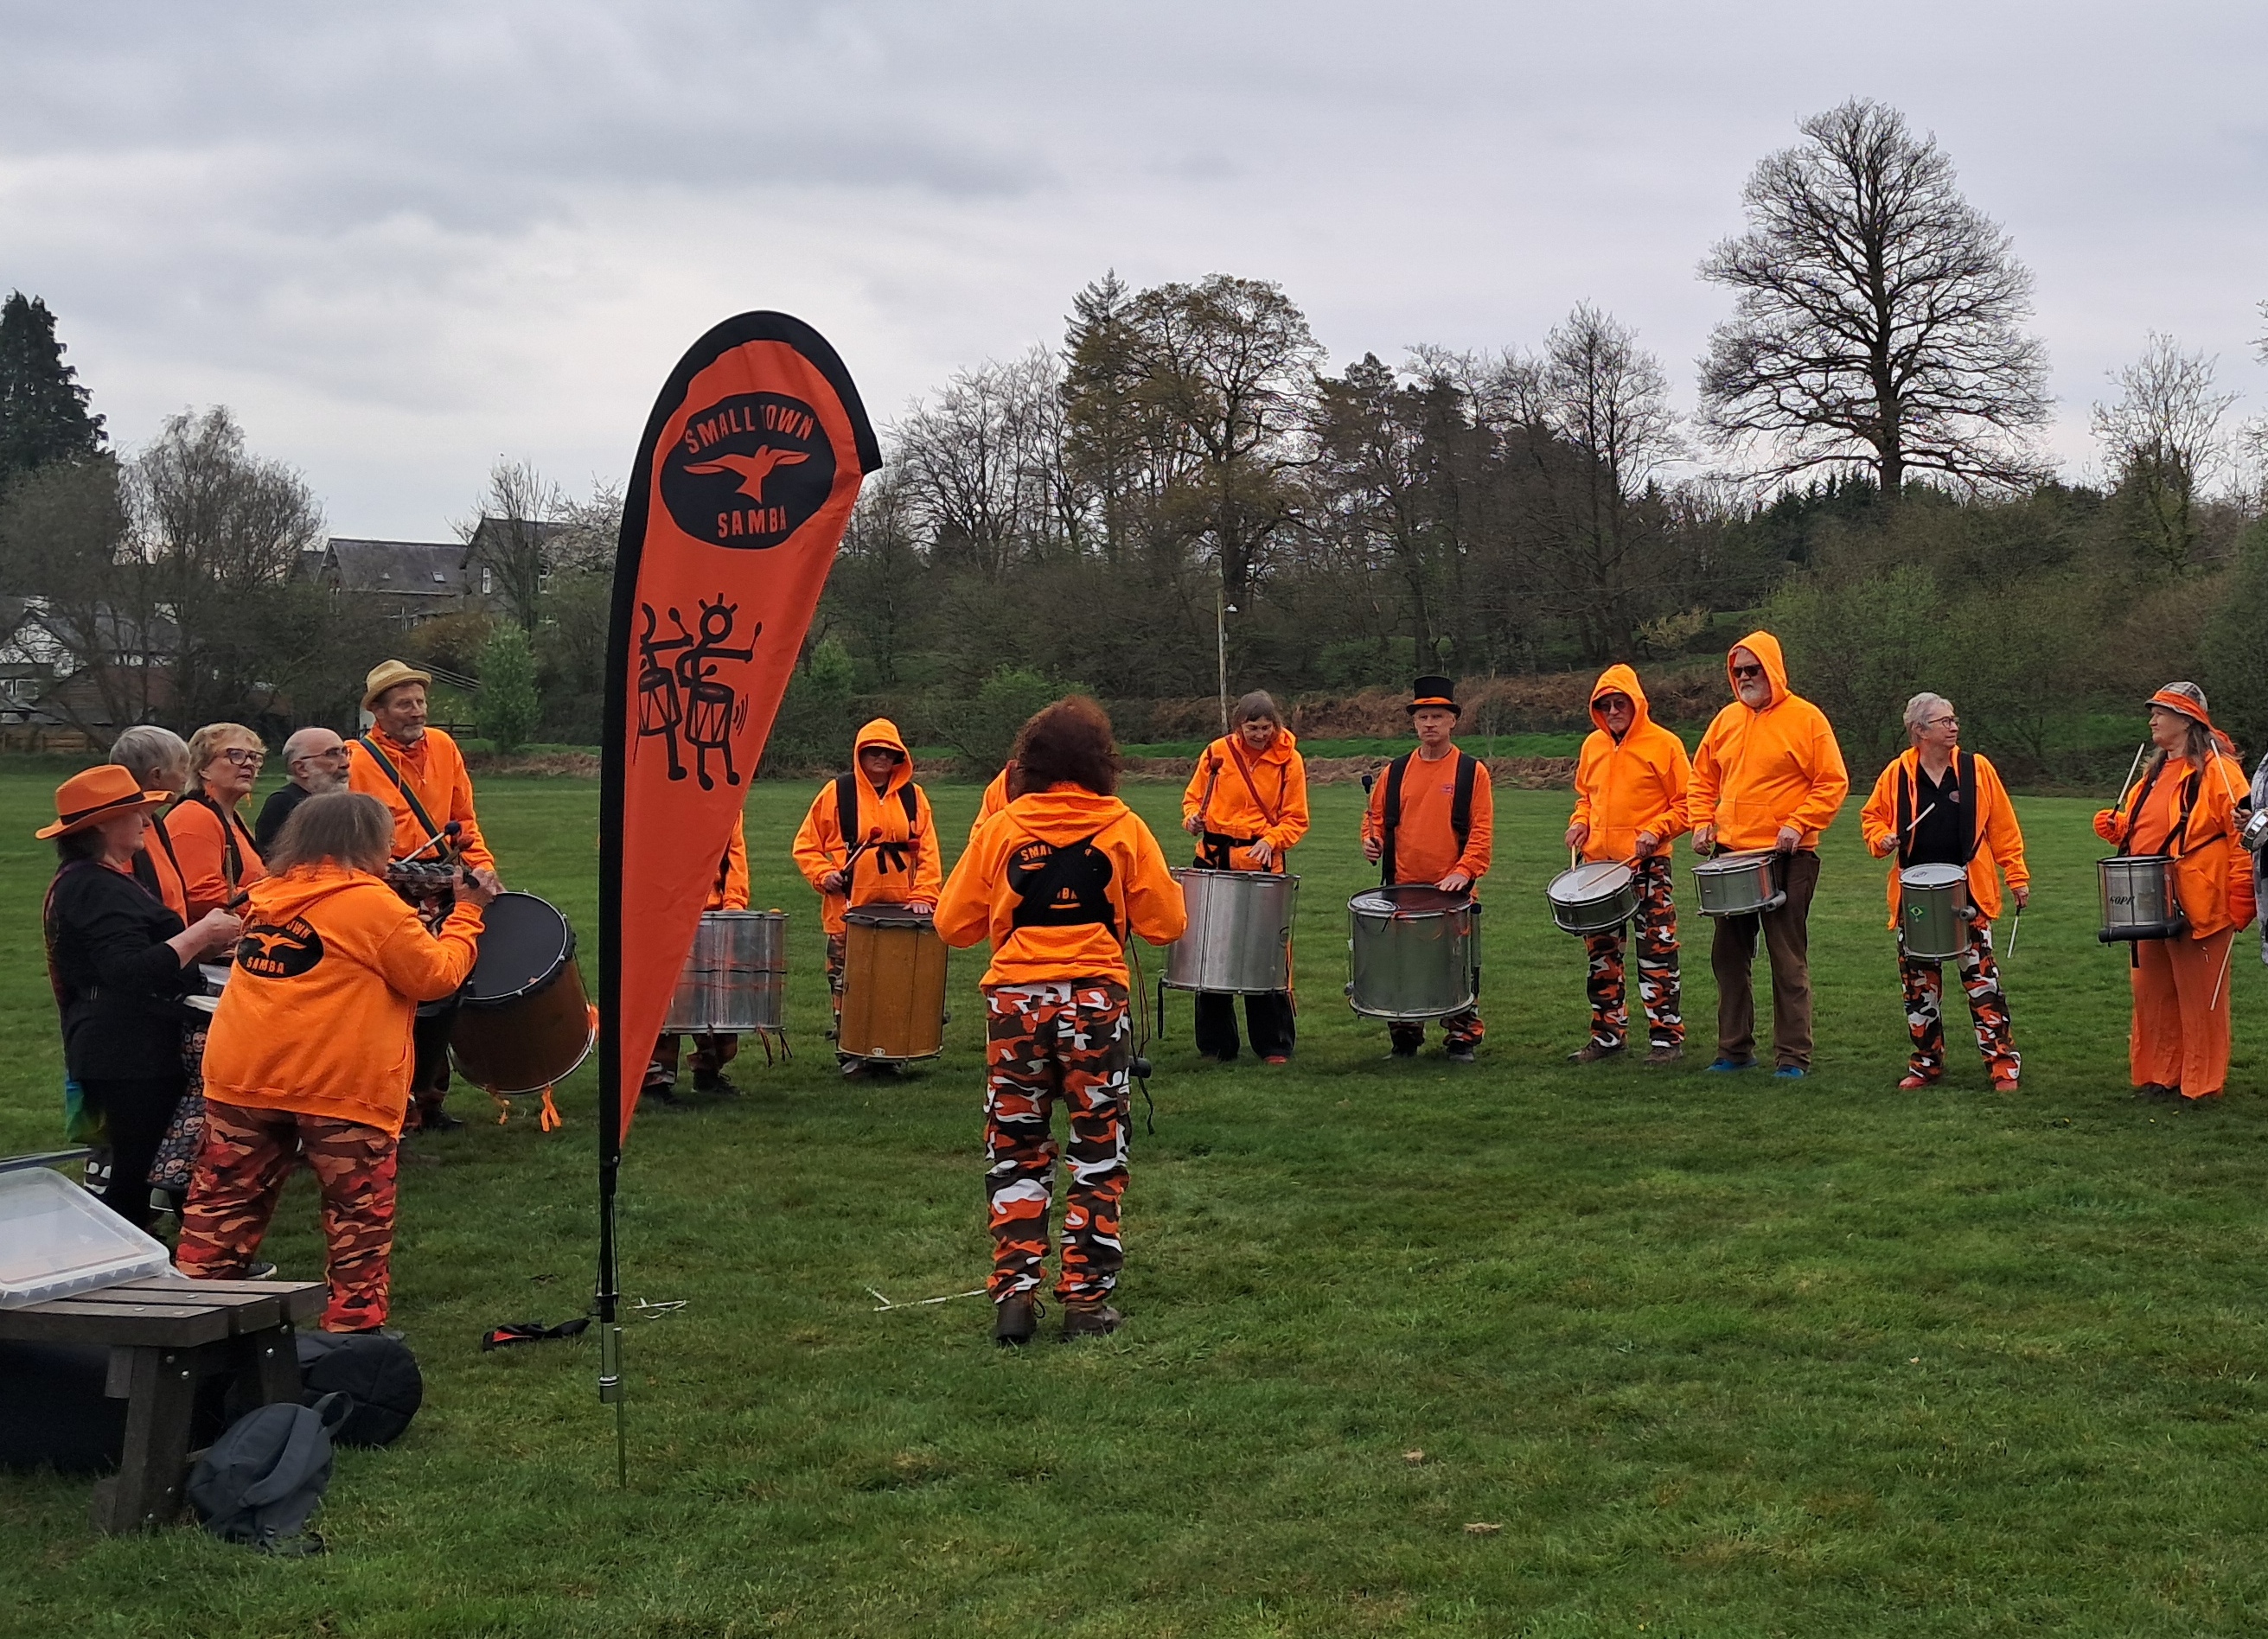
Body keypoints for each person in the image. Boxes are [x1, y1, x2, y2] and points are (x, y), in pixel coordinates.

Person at [176, 792, 498, 1333]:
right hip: (337, 1084)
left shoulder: (267, 893)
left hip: (243, 1077)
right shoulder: (372, 906)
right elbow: (435, 976)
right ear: (369, 844)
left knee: (221, 1209)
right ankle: (354, 1334)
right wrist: (468, 913)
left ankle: (190, 1326)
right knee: (357, 1218)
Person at [935, 698, 1186, 1346]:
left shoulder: (1000, 829)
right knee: (1098, 1153)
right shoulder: (1124, 827)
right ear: (1101, 763)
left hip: (1015, 1008)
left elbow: (952, 924)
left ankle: (1014, 1300)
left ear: (1030, 764)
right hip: (1094, 1007)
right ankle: (1085, 1302)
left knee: (1016, 1151)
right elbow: (1166, 924)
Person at [38, 766, 241, 1230]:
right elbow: (127, 971)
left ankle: (187, 1253)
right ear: (105, 825)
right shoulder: (93, 886)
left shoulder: (97, 879)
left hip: (127, 1039)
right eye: (138, 813)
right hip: (126, 1045)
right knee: (135, 1167)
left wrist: (204, 943)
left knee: (146, 1160)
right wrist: (200, 935)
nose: (148, 822)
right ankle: (141, 1260)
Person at [1688, 632, 1850, 1078]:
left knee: (1787, 958)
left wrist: (1798, 823)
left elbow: (1832, 782)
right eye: (1737, 671)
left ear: (1772, 669)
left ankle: (1793, 1056)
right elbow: (1701, 779)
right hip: (1730, 857)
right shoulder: (1725, 720)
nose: (1743, 678)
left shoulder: (1806, 719)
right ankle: (1733, 1051)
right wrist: (1701, 822)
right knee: (1728, 958)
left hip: (1787, 858)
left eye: (1752, 669)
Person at [348, 660, 498, 1132]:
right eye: (404, 704)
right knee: (396, 997)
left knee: (447, 991)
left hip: (443, 885)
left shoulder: (444, 746)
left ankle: (431, 1099)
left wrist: (483, 868)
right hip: (386, 891)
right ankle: (395, 1101)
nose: (416, 712)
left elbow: (464, 819)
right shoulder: (356, 759)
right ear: (378, 711)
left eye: (420, 702)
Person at [2092, 682, 2257, 1107]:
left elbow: (2244, 834)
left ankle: (2199, 1084)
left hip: (2202, 899)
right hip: (2148, 898)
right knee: (2153, 992)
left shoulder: (2220, 771)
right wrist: (2118, 827)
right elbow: (2142, 825)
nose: (2152, 719)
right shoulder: (2153, 773)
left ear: (2186, 720)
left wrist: (2241, 896)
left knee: (2201, 998)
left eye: (2161, 712)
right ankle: (2159, 1076)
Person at [1860, 693, 2029, 1092]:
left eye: (1954, 720)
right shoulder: (1896, 774)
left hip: (1968, 895)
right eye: (1944, 721)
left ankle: (2003, 1065)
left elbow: (2003, 826)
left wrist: (2016, 875)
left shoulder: (1976, 769)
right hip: (1914, 897)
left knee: (1983, 985)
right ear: (1920, 731)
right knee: (1919, 989)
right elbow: (1871, 817)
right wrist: (1881, 839)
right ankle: (1926, 1065)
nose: (1954, 727)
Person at [790, 719, 942, 1070]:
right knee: (848, 984)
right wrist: (823, 874)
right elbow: (806, 845)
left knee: (897, 982)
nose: (881, 758)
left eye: (888, 753)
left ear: (898, 758)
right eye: (873, 751)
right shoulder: (836, 793)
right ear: (860, 754)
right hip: (848, 908)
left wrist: (924, 894)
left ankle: (890, 1050)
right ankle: (853, 1051)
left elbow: (929, 853)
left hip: (901, 910)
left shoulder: (914, 797)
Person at [1360, 675, 1494, 1062]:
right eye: (1423, 717)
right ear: (1414, 723)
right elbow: (1375, 819)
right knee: (1404, 967)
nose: (1430, 724)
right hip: (1402, 888)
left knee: (1457, 965)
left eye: (1437, 716)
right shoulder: (1395, 771)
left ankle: (1461, 1038)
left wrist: (1464, 871)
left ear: (1453, 720)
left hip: (1454, 890)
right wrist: (1372, 843)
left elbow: (1482, 832)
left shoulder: (1472, 772)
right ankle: (1404, 1038)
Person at [1563, 664, 1690, 1065]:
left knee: (1657, 951)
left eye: (1621, 703)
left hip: (1647, 865)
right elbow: (1586, 797)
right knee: (1601, 955)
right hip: (1598, 868)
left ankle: (1666, 1038)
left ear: (1637, 704)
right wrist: (1579, 823)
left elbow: (1687, 805)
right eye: (1606, 705)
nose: (1614, 711)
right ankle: (1607, 1037)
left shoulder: (1665, 744)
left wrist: (1657, 830)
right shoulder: (1592, 746)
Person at [1179, 691, 1309, 1062]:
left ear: (1276, 725)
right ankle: (1217, 1045)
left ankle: (1274, 1044)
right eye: (1252, 728)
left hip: (1264, 864)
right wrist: (1192, 819)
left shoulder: (1290, 761)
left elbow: (1297, 818)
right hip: (1215, 860)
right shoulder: (1216, 753)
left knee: (1266, 956)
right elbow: (1192, 799)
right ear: (1238, 726)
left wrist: (1272, 840)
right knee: (1211, 951)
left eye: (1266, 728)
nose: (1259, 735)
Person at [645, 813, 750, 1105]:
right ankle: (655, 1078)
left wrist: (734, 903)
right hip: (663, 914)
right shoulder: (652, 800)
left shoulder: (726, 799)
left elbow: (735, 854)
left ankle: (709, 1071)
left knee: (717, 1000)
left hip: (715, 914)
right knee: (665, 1001)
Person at [169, 723, 269, 922]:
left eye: (254, 757)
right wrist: (271, 904)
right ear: (203, 768)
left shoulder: (231, 816)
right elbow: (201, 893)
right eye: (235, 755)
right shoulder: (194, 817)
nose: (248, 764)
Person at [110, 724, 193, 922]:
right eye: (182, 768)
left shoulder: (155, 822)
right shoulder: (122, 835)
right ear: (156, 776)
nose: (185, 778)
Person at [254, 727, 349, 851]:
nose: (345, 763)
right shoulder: (284, 804)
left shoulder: (343, 804)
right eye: (332, 754)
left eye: (345, 752)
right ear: (301, 768)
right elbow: (276, 861)